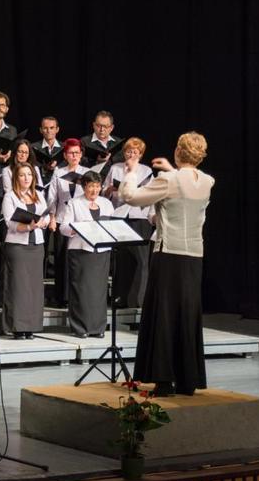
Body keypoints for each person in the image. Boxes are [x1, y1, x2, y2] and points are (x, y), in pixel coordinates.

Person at [120, 132, 214, 397]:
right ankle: (187, 379)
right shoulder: (207, 181)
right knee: (187, 314)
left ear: (178, 151)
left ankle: (163, 380)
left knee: (164, 315)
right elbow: (184, 187)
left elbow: (131, 197)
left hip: (169, 253)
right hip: (194, 255)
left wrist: (131, 170)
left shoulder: (168, 180)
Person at [60, 171, 114, 338]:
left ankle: (98, 328)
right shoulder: (75, 203)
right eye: (91, 186)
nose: (94, 190)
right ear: (84, 187)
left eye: (97, 186)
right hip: (81, 252)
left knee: (98, 291)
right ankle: (80, 328)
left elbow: (113, 224)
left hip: (101, 252)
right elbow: (63, 227)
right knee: (81, 290)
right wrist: (79, 227)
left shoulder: (106, 203)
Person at [102, 137, 155, 308]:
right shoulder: (116, 168)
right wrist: (110, 190)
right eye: (128, 151)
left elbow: (152, 195)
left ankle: (138, 302)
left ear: (140, 154)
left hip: (139, 216)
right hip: (119, 216)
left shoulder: (146, 171)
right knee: (122, 260)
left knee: (140, 261)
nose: (131, 154)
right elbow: (104, 191)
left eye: (135, 152)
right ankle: (120, 299)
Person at [1, 163, 49, 339]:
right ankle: (17, 327)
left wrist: (42, 222)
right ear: (16, 178)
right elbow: (9, 223)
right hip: (18, 246)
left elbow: (46, 214)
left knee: (34, 287)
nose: (26, 178)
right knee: (18, 286)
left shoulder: (38, 195)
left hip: (36, 246)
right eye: (22, 175)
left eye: (29, 174)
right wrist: (28, 226)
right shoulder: (10, 196)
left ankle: (31, 327)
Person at [46, 137, 86, 307]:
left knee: (78, 259)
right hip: (62, 219)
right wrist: (52, 218)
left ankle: (77, 296)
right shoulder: (59, 172)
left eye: (77, 153)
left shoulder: (86, 172)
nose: (74, 156)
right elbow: (52, 198)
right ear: (65, 155)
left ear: (81, 154)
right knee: (62, 259)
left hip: (81, 221)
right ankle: (62, 297)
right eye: (71, 153)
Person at [32, 116, 63, 183]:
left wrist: (57, 167)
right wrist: (44, 167)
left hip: (60, 184)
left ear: (57, 129)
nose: (48, 131)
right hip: (39, 183)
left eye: (51, 128)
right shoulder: (33, 147)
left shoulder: (64, 147)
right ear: (41, 130)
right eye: (45, 128)